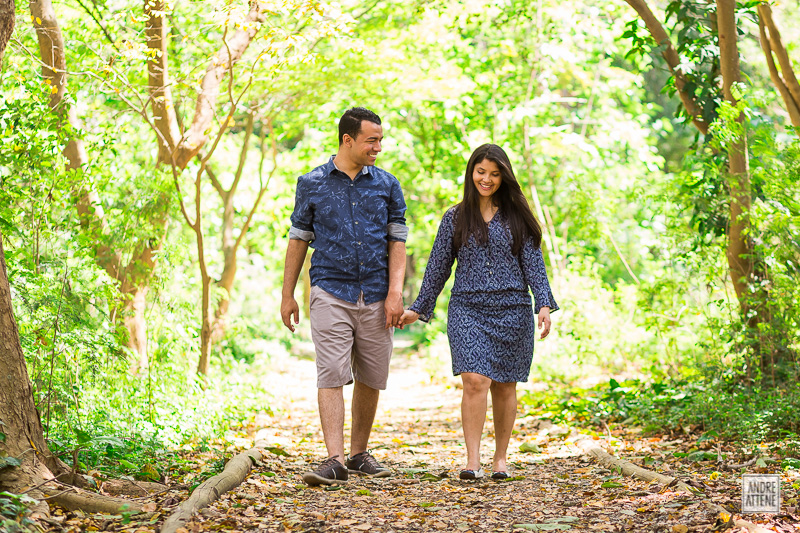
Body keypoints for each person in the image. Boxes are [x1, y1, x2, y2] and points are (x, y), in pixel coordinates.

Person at [399, 143, 558, 480]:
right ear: (471, 173)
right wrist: (418, 308)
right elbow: (438, 267)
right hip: (467, 309)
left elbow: (533, 264)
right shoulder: (454, 218)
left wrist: (543, 303)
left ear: (504, 177)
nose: (487, 179)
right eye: (481, 171)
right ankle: (473, 461)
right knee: (474, 380)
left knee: (504, 385)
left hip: (513, 310)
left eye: (495, 174)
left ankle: (500, 459)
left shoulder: (517, 218)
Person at [281, 107, 408, 486]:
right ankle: (334, 459)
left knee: (371, 375)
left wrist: (395, 293)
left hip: (376, 292)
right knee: (331, 372)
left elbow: (397, 240)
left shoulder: (387, 184)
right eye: (372, 140)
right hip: (329, 289)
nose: (379, 147)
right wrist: (287, 294)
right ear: (347, 139)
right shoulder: (312, 183)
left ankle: (357, 454)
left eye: (380, 140)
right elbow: (298, 239)